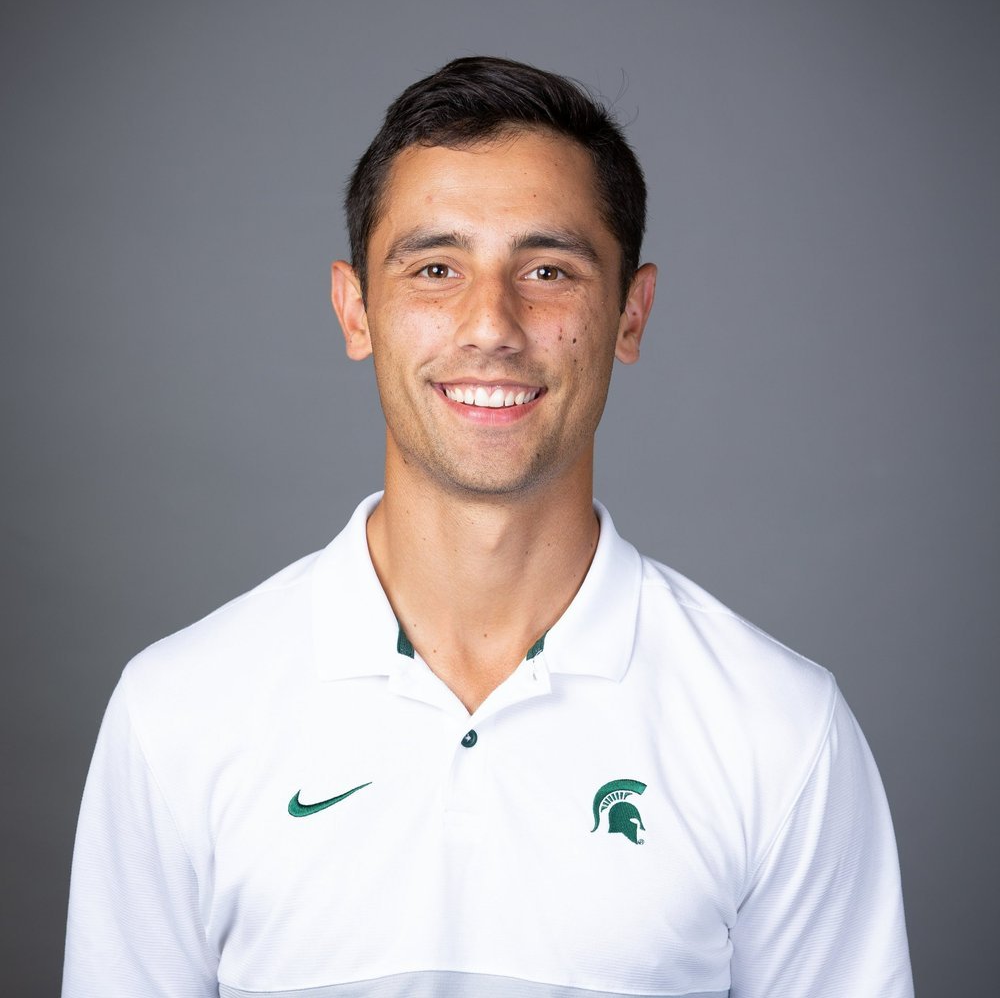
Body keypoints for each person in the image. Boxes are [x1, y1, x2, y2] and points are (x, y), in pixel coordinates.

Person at [62, 56, 913, 997]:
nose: (491, 325)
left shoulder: (781, 732)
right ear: (356, 309)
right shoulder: (178, 714)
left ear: (630, 314)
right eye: (436, 269)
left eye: (548, 270)